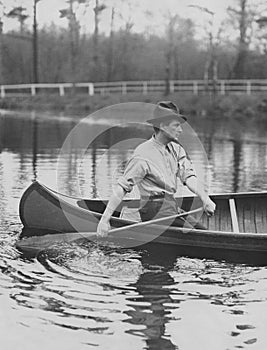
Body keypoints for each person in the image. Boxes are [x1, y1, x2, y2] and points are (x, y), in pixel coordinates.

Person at [97, 101, 216, 237]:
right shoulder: (142, 154)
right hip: (154, 211)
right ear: (163, 126)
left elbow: (189, 177)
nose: (181, 130)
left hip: (171, 208)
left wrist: (205, 199)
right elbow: (122, 188)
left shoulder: (177, 149)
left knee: (205, 233)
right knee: (200, 237)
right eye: (176, 125)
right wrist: (104, 220)